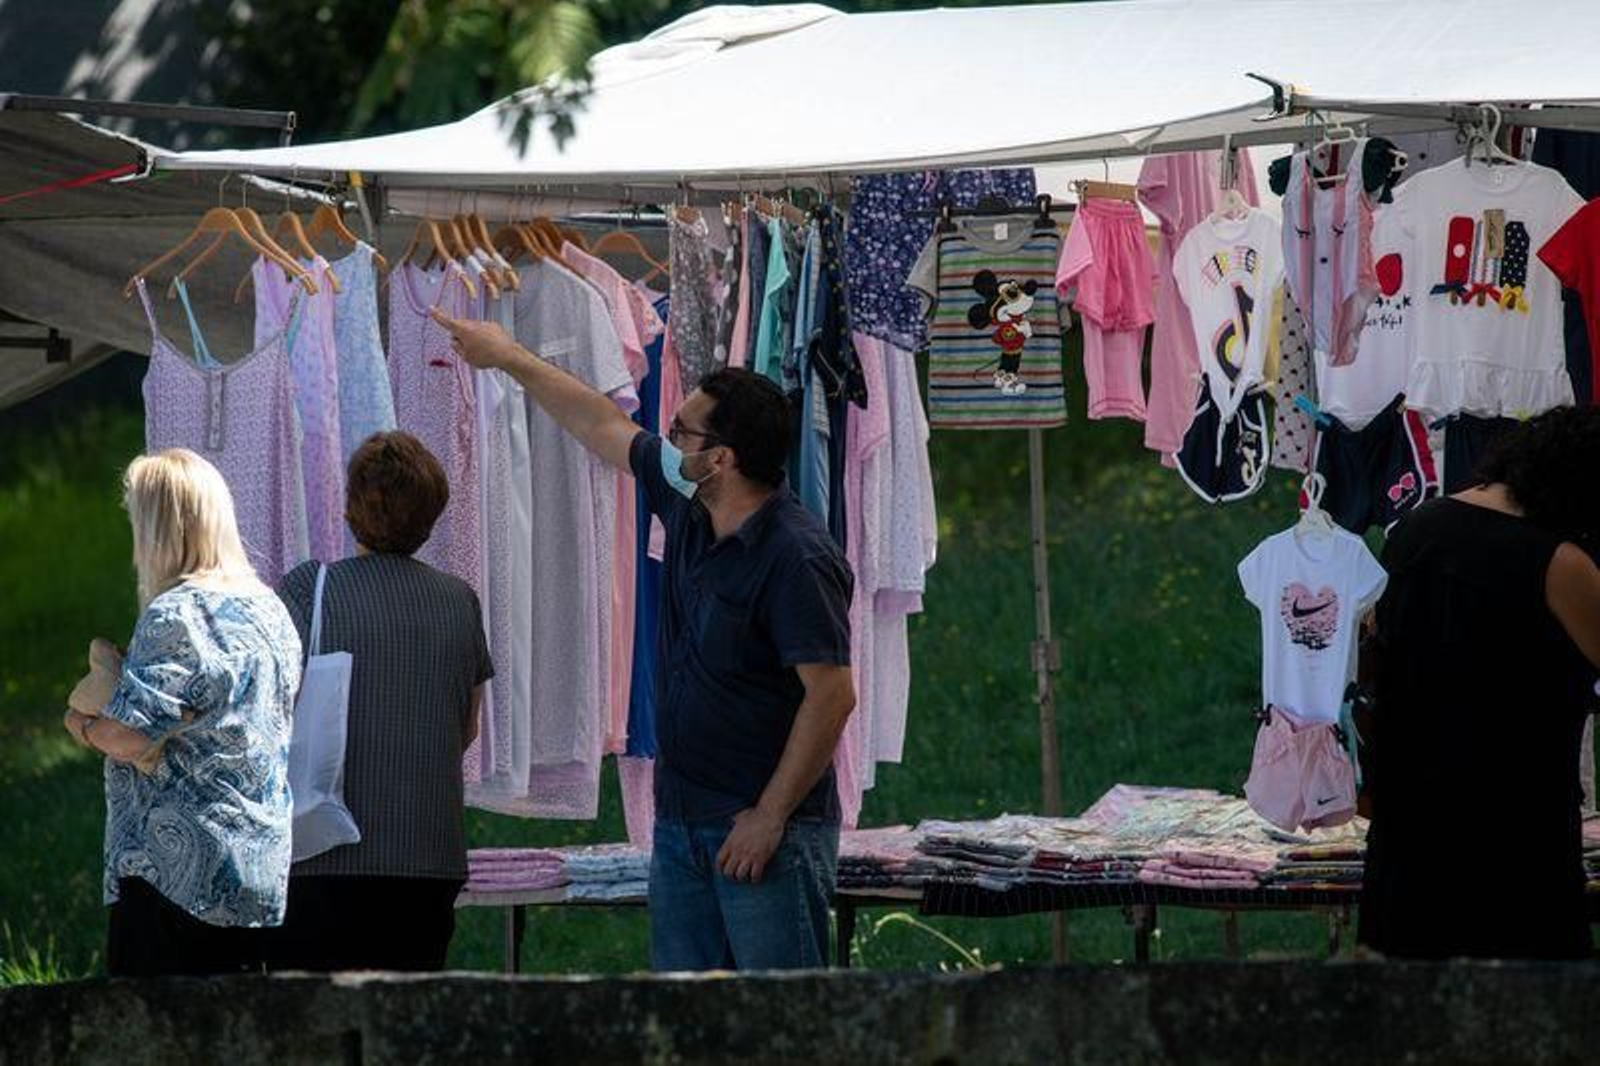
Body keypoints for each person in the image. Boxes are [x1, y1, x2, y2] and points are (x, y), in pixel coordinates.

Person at [434, 309, 856, 971]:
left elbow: (831, 696)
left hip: (763, 832)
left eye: (681, 430)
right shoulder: (692, 500)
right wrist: (508, 356)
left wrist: (770, 816)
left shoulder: (795, 557)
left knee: (784, 1029)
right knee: (683, 1028)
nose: (667, 436)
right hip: (683, 823)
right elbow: (600, 423)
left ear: (720, 458)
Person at [1359, 406, 1600, 959]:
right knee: (1523, 1022)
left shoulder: (1416, 530)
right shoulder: (1560, 563)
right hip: (1515, 835)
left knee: (1407, 1014)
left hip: (1409, 828)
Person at [64, 448, 301, 977]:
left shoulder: (176, 614)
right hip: (257, 868)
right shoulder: (271, 609)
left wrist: (81, 725)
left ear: (157, 528)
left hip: (174, 877)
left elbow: (128, 736)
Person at [267, 431, 491, 972]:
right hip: (427, 854)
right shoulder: (460, 602)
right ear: (431, 514)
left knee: (316, 1029)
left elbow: (269, 709)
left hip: (321, 851)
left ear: (350, 507)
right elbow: (466, 730)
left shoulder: (307, 589)